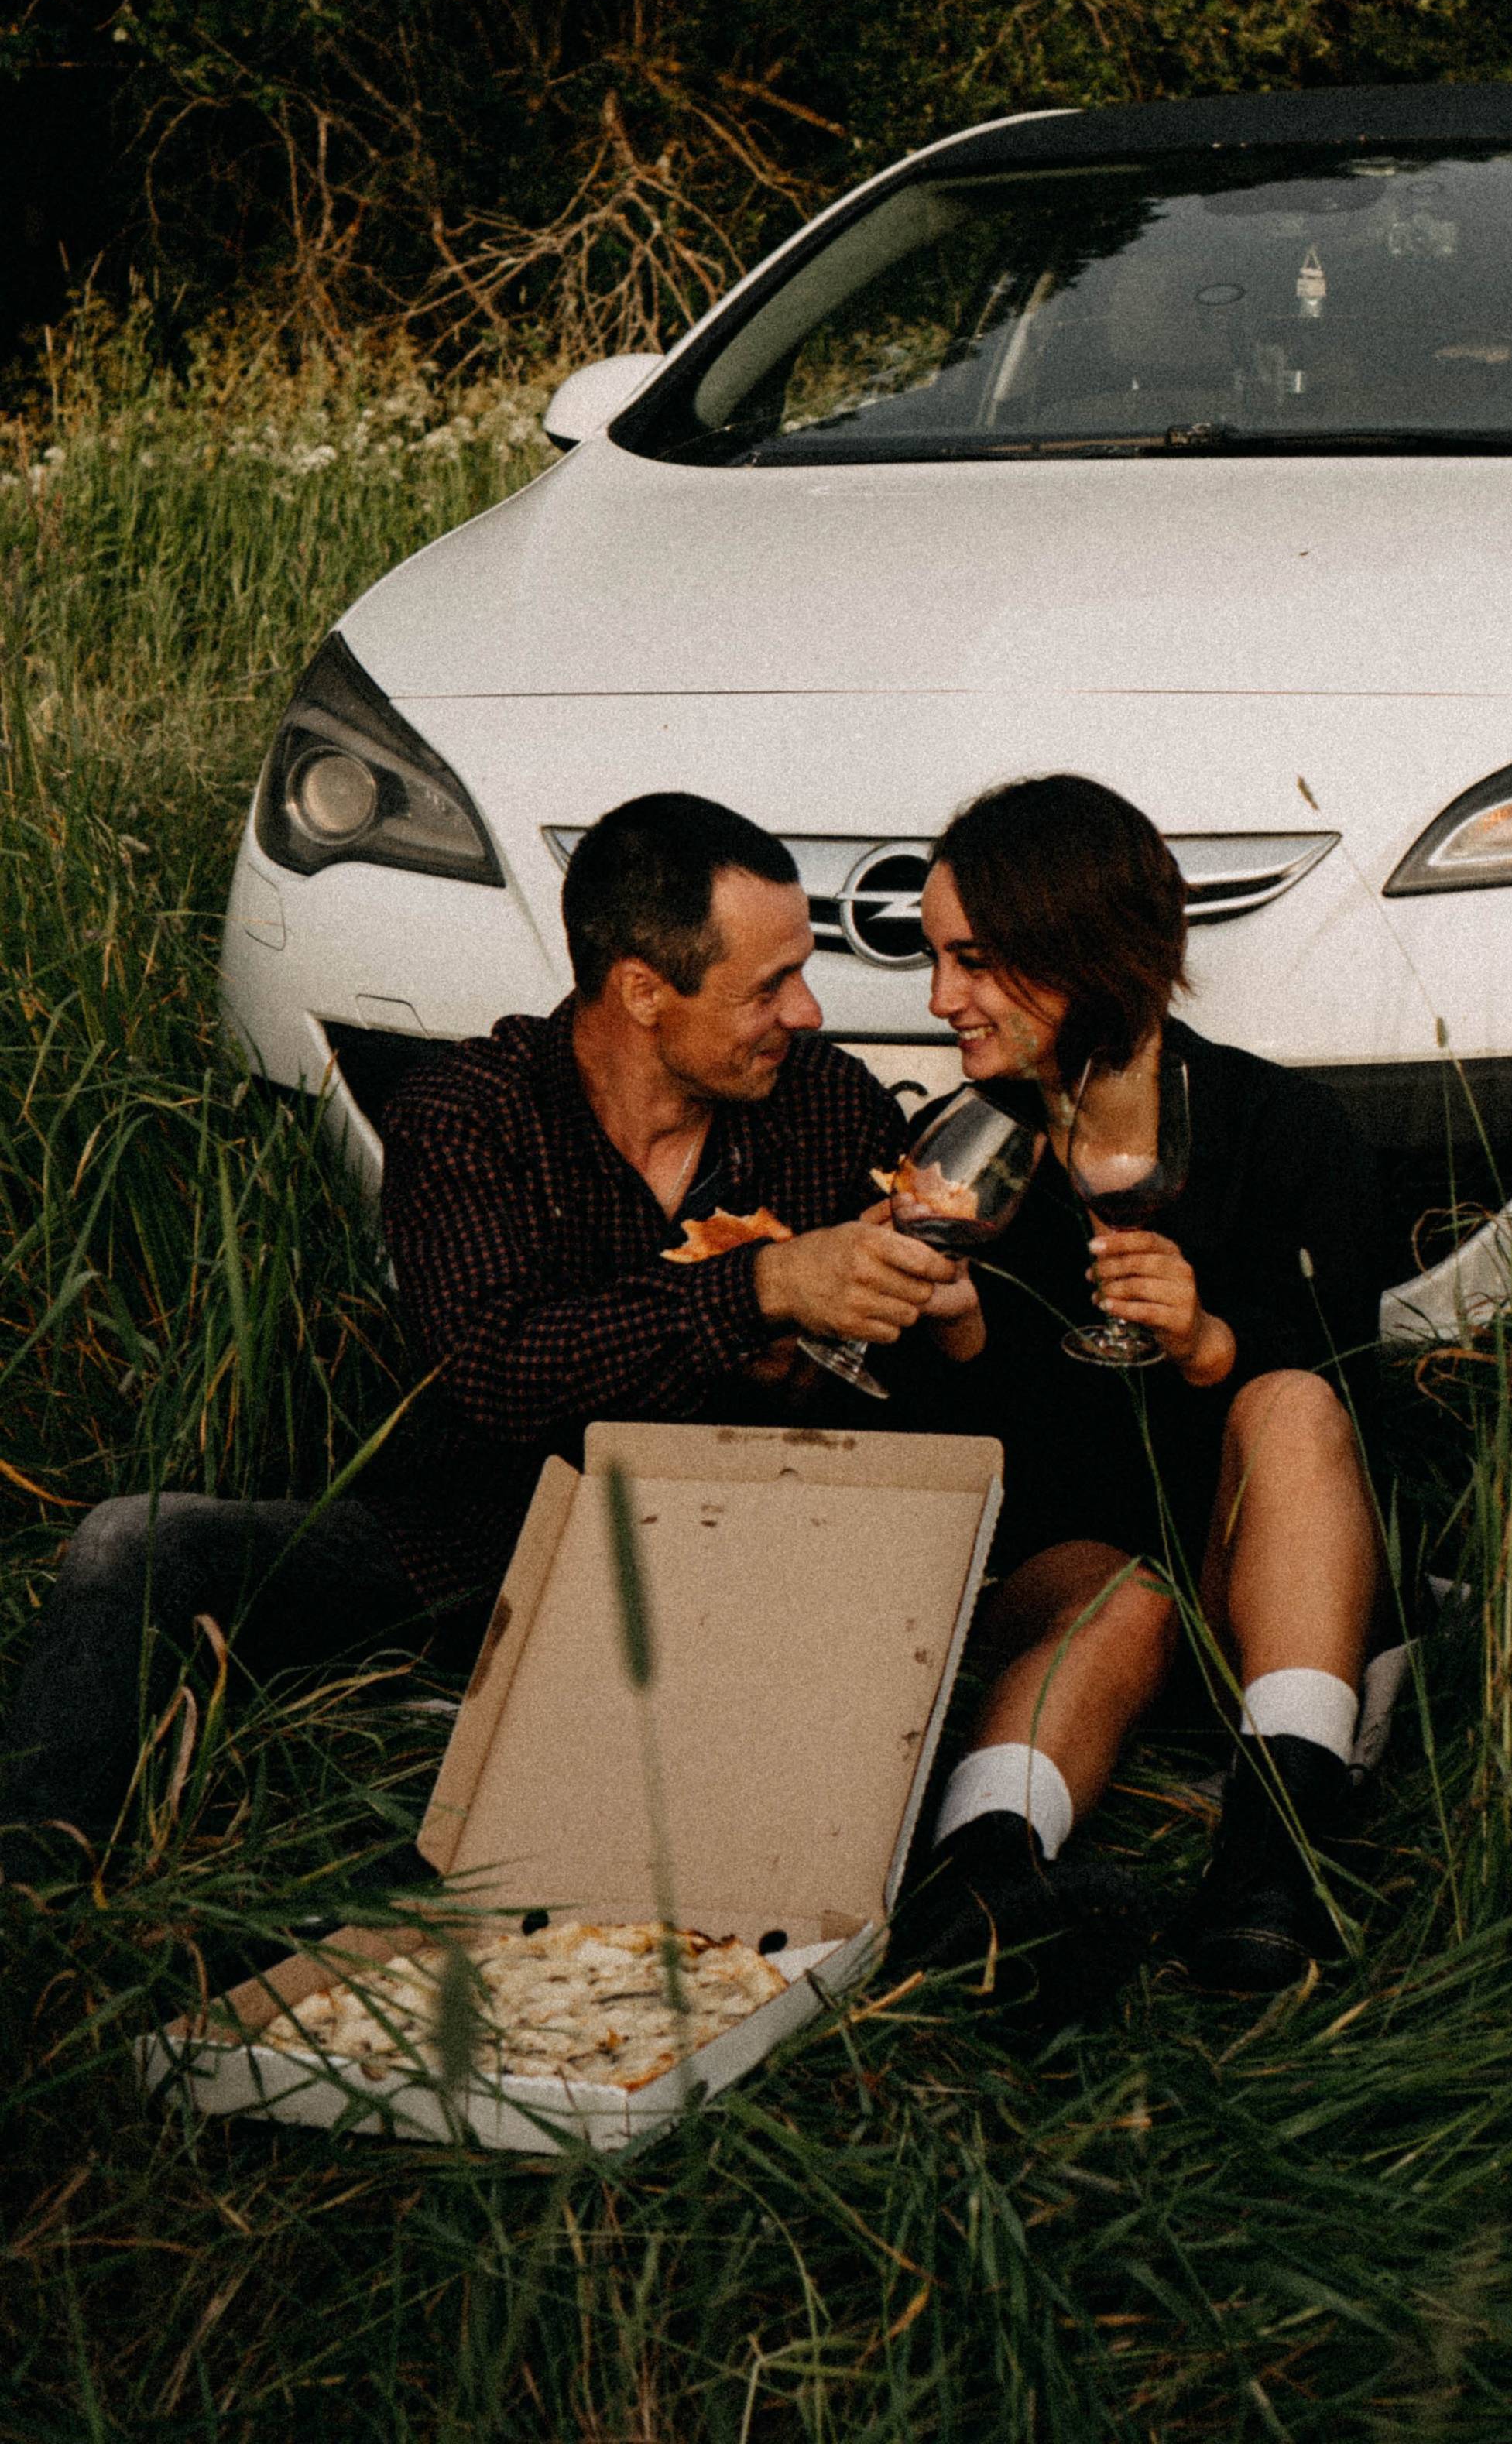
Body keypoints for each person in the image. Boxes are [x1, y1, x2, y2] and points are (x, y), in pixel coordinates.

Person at [0, 791, 966, 1879]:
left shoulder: (829, 1110)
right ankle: (38, 1903)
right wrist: (760, 1289)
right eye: (769, 986)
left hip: (728, 1558)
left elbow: (894, 1412)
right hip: (470, 1542)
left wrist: (869, 1338)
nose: (807, 1013)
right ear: (643, 991)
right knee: (138, 1542)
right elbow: (497, 1369)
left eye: (801, 972)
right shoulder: (474, 1109)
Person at [889, 773, 1395, 1997]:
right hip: (1077, 1574)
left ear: (1078, 951)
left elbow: (1355, 1397)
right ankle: (982, 1888)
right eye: (936, 960)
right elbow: (976, 1465)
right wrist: (956, 1336)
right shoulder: (967, 1150)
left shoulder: (1284, 1129)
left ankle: (1271, 1865)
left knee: (1288, 1402)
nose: (940, 998)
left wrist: (1214, 1344)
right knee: (1122, 1594)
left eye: (972, 960)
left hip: (1261, 1589)